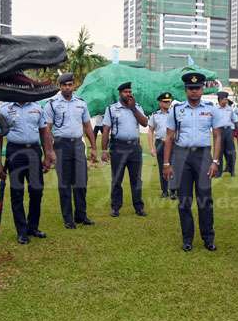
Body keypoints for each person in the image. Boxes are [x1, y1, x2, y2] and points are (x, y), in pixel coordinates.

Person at [163, 72, 223, 252]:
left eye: (197, 88)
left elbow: (218, 136)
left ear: (203, 88)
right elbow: (169, 137)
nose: (194, 91)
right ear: (186, 89)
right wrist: (166, 164)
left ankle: (208, 238)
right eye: (191, 88)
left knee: (205, 198)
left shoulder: (211, 109)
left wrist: (215, 161)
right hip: (182, 157)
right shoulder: (176, 109)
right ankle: (187, 238)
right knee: (184, 200)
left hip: (203, 156)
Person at [0, 101, 55, 244]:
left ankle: (32, 227)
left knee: (36, 191)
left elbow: (44, 132)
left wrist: (48, 155)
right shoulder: (4, 109)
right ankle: (21, 232)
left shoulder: (37, 107)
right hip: (15, 152)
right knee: (17, 193)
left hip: (34, 151)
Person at [45, 73, 98, 229]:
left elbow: (88, 126)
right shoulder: (52, 104)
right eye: (64, 85)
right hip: (61, 146)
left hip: (78, 145)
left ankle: (81, 215)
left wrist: (94, 147)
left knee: (81, 181)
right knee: (65, 183)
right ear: (60, 86)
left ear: (74, 86)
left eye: (70, 85)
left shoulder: (81, 103)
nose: (67, 87)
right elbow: (47, 130)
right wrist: (49, 151)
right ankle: (68, 218)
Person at [102, 82, 148, 217]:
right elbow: (106, 130)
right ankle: (115, 207)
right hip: (118, 147)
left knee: (136, 179)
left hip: (134, 148)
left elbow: (145, 122)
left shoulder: (137, 107)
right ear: (120, 93)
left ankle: (139, 207)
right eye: (125, 92)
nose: (128, 94)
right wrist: (104, 150)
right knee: (117, 179)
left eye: (130, 91)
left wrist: (133, 109)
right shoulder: (111, 109)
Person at [148, 91, 176, 199]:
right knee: (162, 167)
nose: (167, 103)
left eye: (169, 101)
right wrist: (151, 148)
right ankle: (165, 191)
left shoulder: (174, 114)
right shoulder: (155, 116)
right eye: (165, 102)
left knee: (173, 167)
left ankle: (173, 191)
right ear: (160, 103)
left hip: (173, 143)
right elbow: (150, 131)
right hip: (160, 143)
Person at [215, 91, 238, 177]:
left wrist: (235, 131)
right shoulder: (215, 109)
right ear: (220, 100)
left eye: (226, 99)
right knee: (219, 152)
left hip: (228, 131)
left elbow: (234, 119)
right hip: (219, 131)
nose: (226, 101)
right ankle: (218, 172)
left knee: (231, 152)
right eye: (224, 99)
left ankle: (232, 170)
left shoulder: (230, 109)